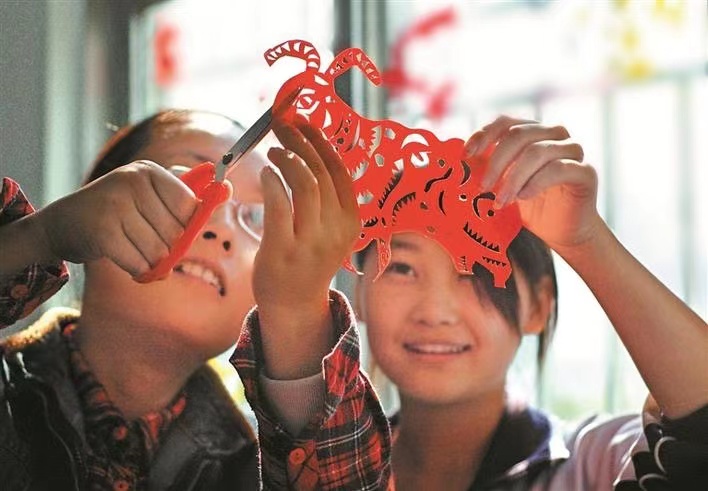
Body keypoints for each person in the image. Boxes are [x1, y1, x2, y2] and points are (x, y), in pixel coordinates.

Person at [0, 110, 390, 489]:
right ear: (91, 199)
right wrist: (38, 236)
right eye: (190, 181)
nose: (220, 228)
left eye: (256, 218)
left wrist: (297, 318)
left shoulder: (255, 471)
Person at [346, 116, 708, 490]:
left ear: (538, 306)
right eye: (402, 268)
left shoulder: (593, 466)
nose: (435, 312)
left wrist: (586, 240)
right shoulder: (324, 467)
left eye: (476, 270)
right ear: (358, 295)